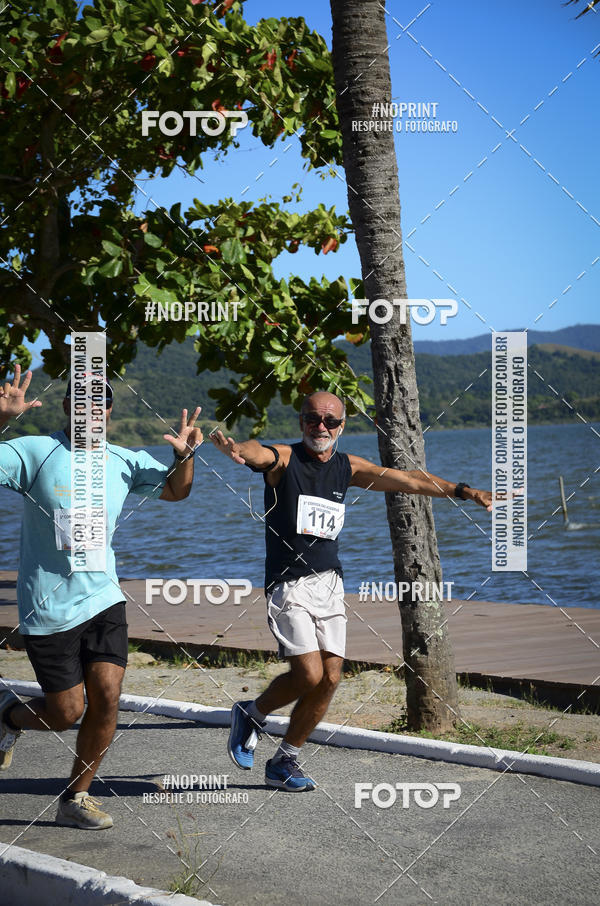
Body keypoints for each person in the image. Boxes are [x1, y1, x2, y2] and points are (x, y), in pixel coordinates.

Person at [211, 390, 492, 791]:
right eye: (312, 419)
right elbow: (260, 453)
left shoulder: (348, 467)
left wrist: (465, 492)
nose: (320, 427)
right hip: (289, 586)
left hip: (330, 584)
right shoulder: (287, 460)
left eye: (330, 421)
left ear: (342, 427)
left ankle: (285, 759)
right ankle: (252, 713)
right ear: (301, 421)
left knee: (330, 677)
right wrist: (238, 450)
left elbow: (410, 480)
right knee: (308, 674)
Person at [0, 364, 202, 828]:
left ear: (109, 411)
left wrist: (186, 456)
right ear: (70, 407)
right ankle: (10, 718)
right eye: (81, 401)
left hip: (103, 598)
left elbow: (177, 491)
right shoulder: (36, 452)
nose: (90, 409)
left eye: (100, 402)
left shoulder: (122, 461)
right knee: (65, 712)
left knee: (108, 696)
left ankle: (77, 797)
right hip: (49, 606)